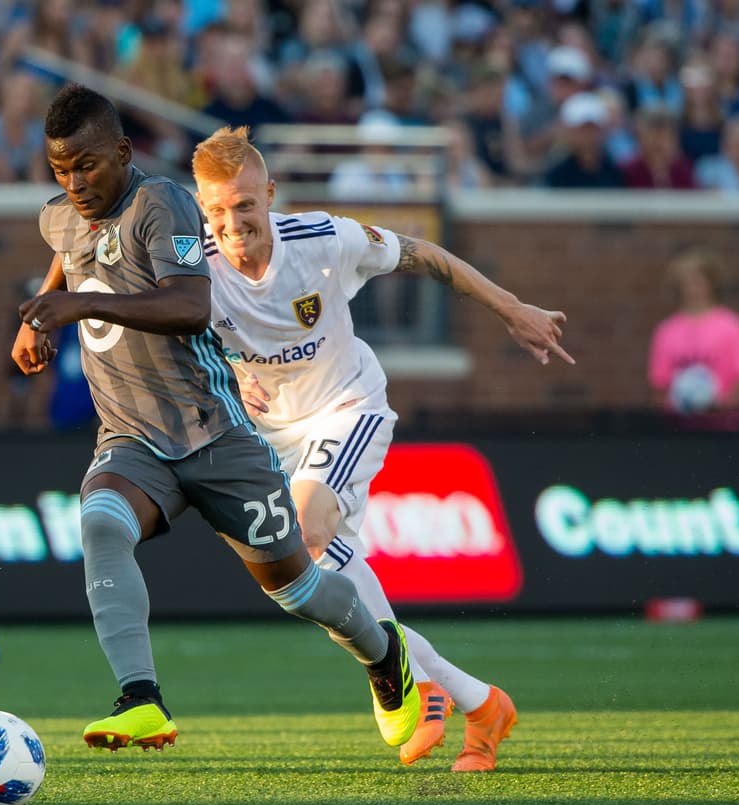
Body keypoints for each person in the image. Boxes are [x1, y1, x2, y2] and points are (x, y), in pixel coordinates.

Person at [12, 83, 419, 754]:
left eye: (87, 164)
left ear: (121, 150)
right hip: (133, 439)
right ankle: (140, 699)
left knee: (300, 589)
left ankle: (383, 655)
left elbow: (187, 306)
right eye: (61, 169)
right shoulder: (58, 215)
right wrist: (41, 310)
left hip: (215, 434)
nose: (75, 182)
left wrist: (77, 310)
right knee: (100, 525)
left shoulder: (161, 204)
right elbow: (70, 248)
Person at [191, 125, 572, 772]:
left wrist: (510, 308)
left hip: (347, 408)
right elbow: (170, 336)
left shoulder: (322, 240)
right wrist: (223, 371)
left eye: (246, 205)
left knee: (309, 535)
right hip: (272, 440)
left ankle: (406, 686)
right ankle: (479, 703)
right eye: (218, 211)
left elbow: (424, 255)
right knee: (315, 583)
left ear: (271, 196)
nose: (234, 223)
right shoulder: (190, 265)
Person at [648, 248, 739, 426]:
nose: (692, 288)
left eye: (698, 281)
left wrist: (720, 406)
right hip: (679, 427)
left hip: (722, 427)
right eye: (686, 282)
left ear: (711, 283)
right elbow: (659, 382)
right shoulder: (667, 330)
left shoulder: (732, 326)